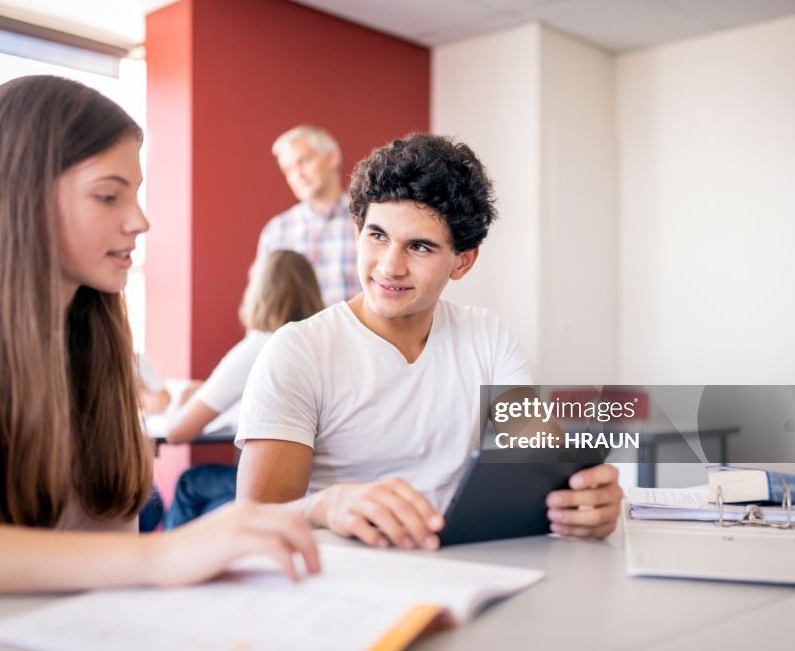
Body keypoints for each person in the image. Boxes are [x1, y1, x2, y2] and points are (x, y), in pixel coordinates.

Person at [0, 75, 318, 592]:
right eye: (109, 196)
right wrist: (156, 557)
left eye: (136, 195)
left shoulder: (95, 335)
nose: (140, 221)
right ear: (21, 199)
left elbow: (107, 540)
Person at [236, 133, 623, 550]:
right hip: (345, 584)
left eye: (419, 247)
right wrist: (327, 504)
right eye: (378, 235)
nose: (389, 266)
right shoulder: (299, 350)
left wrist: (580, 502)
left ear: (463, 261)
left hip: (462, 570)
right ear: (358, 231)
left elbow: (537, 463)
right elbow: (252, 522)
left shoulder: (486, 336)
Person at [163, 250, 324, 529]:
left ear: (259, 293)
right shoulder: (320, 343)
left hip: (280, 497)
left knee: (191, 482)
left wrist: (182, 396)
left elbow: (178, 432)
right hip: (320, 489)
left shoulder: (259, 346)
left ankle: (168, 567)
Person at [256, 125, 359, 307]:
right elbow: (264, 308)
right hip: (300, 335)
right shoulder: (276, 232)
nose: (298, 175)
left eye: (303, 161)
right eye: (288, 170)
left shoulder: (366, 219)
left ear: (331, 158)